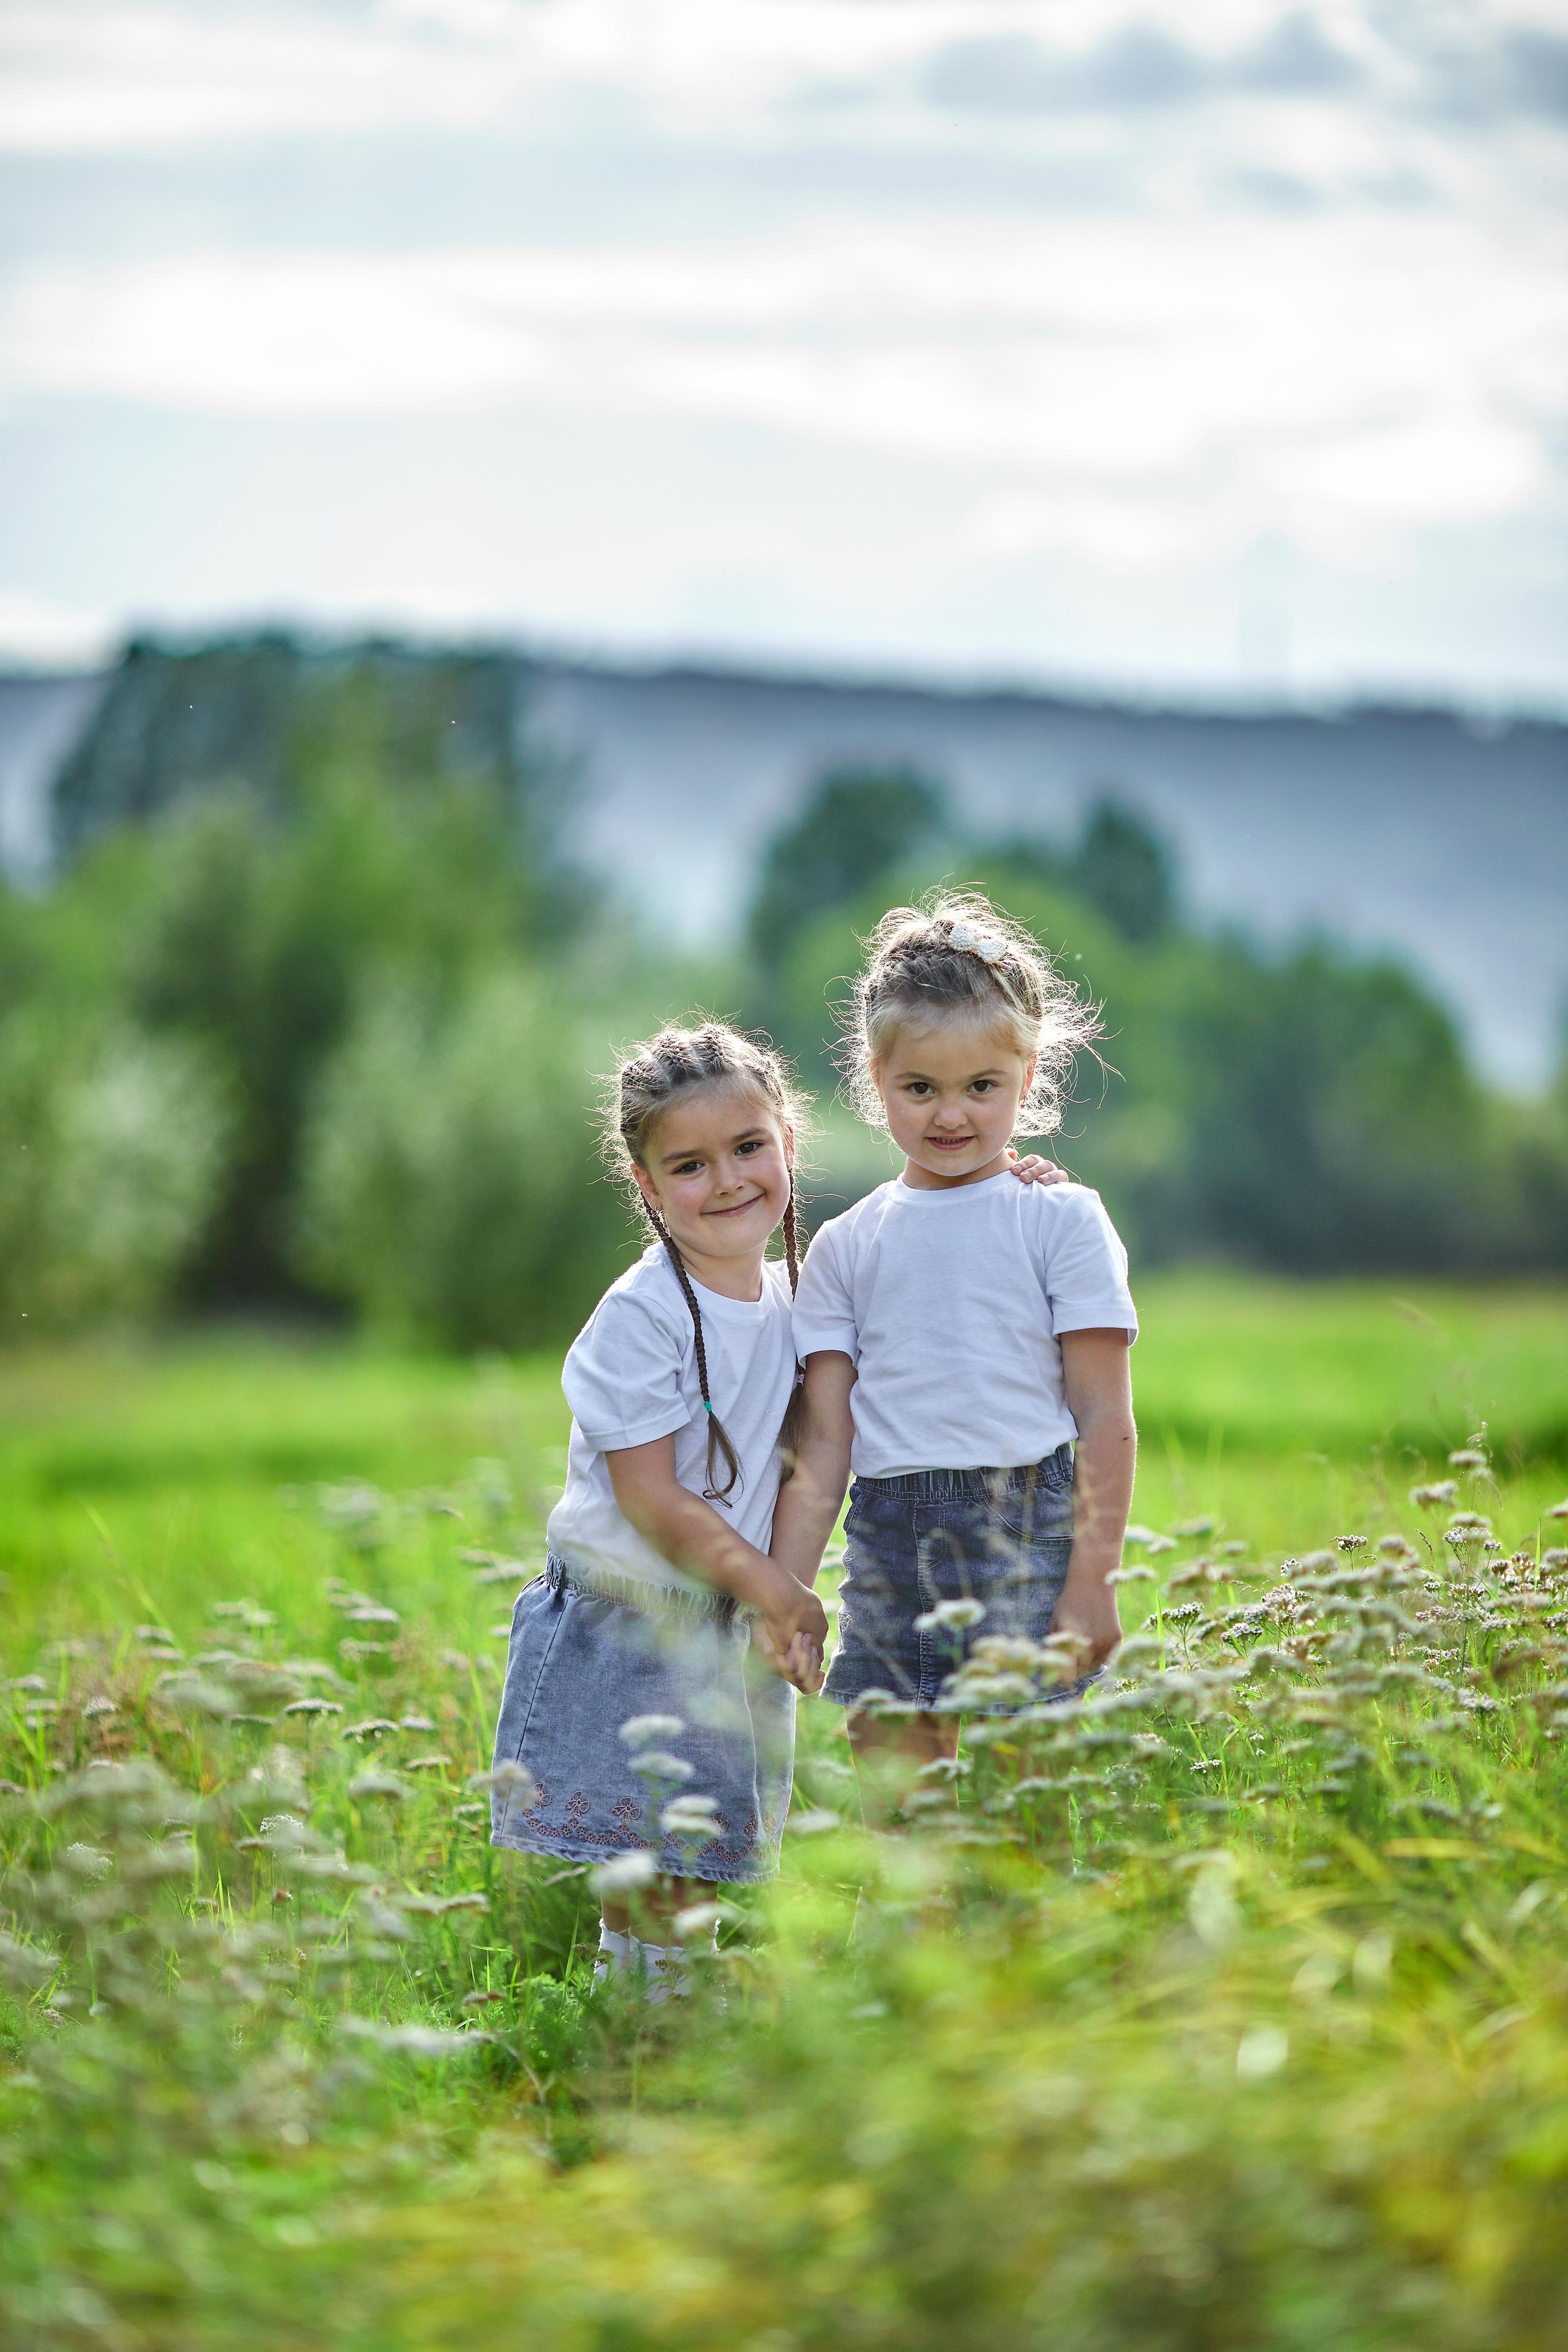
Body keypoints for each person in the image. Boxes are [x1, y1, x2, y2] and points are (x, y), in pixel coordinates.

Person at [771, 891, 1139, 1820]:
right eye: (920, 1088)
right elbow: (825, 1445)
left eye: (983, 1086)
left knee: (1029, 1821)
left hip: (1032, 1531)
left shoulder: (1062, 1218)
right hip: (892, 1540)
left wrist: (1093, 1583)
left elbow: (1104, 1415)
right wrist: (788, 1589)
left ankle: (1024, 1965)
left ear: (1028, 1076)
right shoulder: (848, 1248)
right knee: (899, 1814)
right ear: (875, 1077)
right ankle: (907, 1959)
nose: (952, 1115)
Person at [490, 1022, 827, 2000]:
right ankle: (642, 2026)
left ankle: (651, 2016)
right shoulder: (640, 1317)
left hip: (722, 1611)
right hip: (632, 1614)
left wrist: (1016, 1177)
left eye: (748, 1149)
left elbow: (922, 1231)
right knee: (654, 1860)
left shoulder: (794, 1294)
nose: (726, 1180)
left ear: (789, 1147)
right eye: (688, 1164)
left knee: (696, 1858)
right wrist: (778, 1590)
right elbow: (651, 1499)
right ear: (646, 1185)